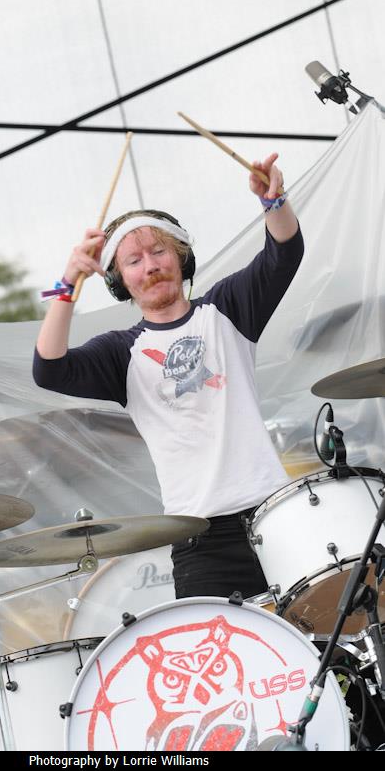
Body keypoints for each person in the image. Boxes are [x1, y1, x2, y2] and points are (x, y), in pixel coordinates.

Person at [33, 153, 303, 600]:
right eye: (134, 260)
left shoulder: (226, 310)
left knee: (318, 634)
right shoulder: (120, 352)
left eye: (159, 251)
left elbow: (284, 253)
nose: (151, 265)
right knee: (215, 647)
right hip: (200, 539)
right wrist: (67, 283)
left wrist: (273, 200)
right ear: (120, 280)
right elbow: (49, 368)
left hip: (275, 514)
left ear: (181, 258)